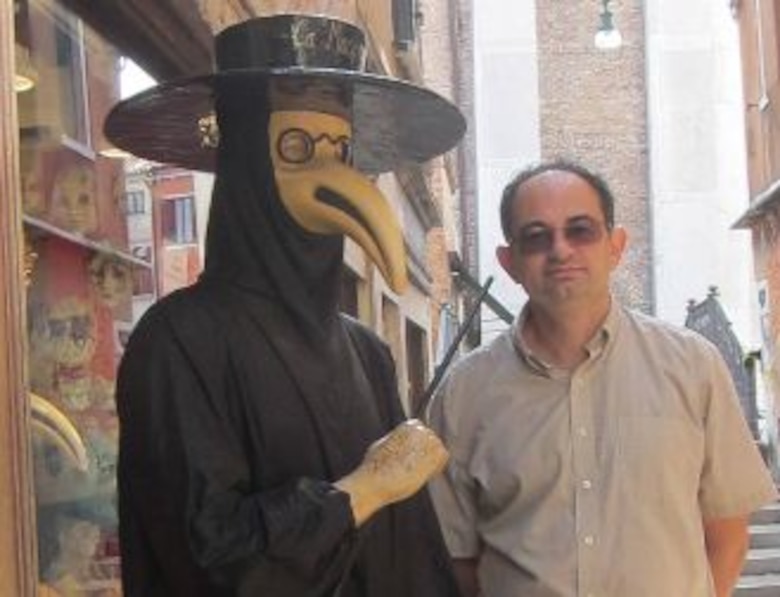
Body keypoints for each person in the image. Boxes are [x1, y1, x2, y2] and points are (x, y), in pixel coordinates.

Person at [106, 14, 465, 597]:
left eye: (340, 150)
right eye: (298, 148)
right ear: (249, 160)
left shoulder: (365, 352)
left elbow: (408, 553)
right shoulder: (178, 340)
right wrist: (364, 489)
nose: (332, 171)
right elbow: (208, 556)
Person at [427, 159, 779, 597]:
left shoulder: (693, 369)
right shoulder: (463, 395)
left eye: (580, 230)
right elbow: (459, 561)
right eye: (536, 236)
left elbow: (727, 537)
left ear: (615, 246)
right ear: (509, 261)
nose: (560, 250)